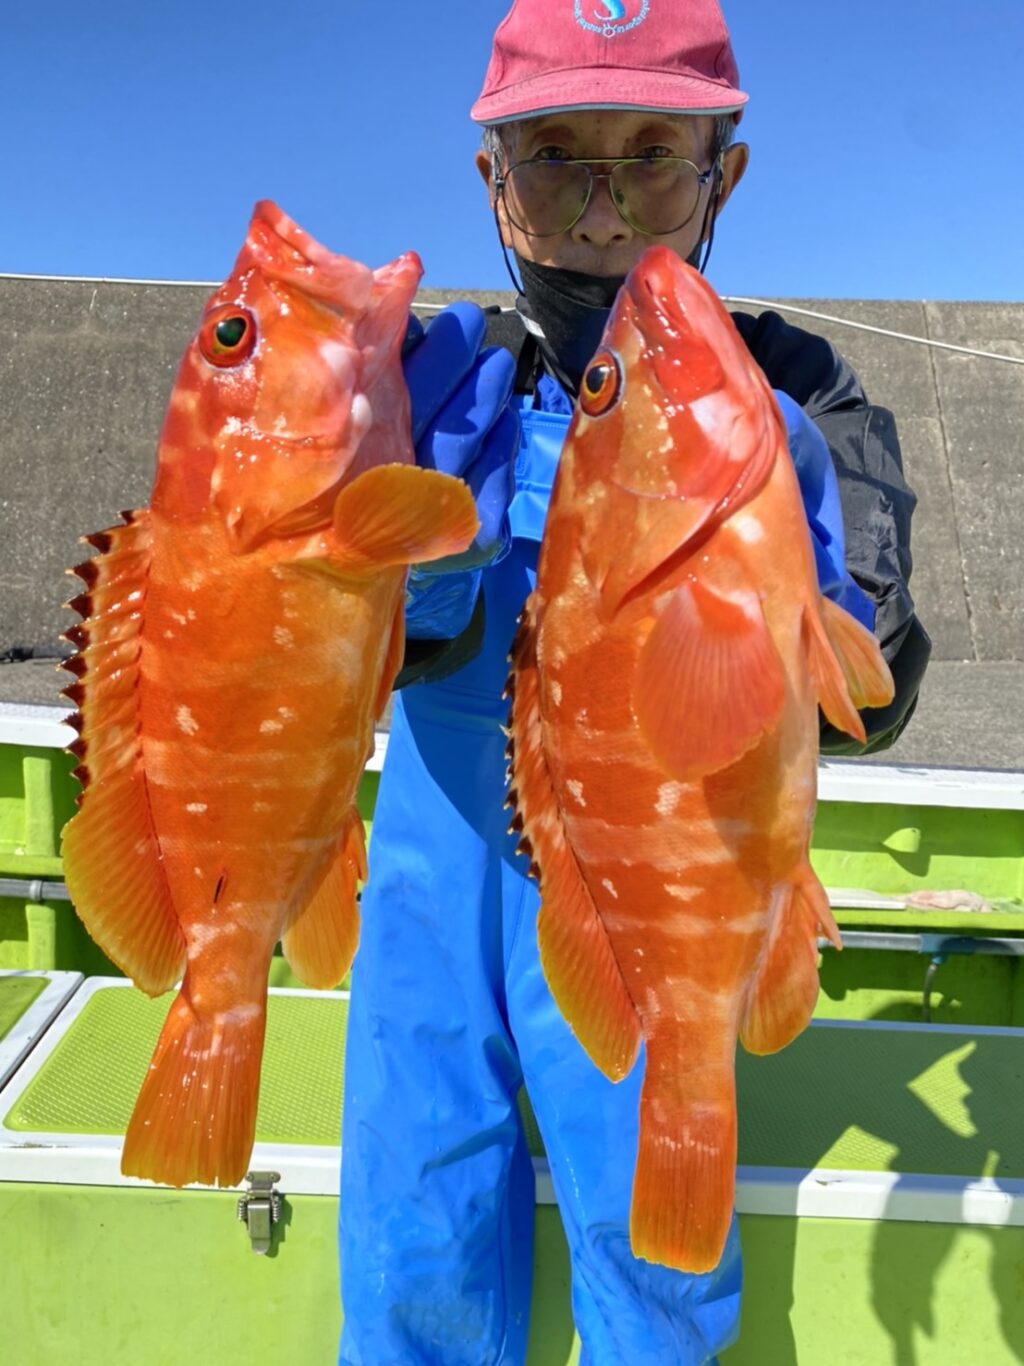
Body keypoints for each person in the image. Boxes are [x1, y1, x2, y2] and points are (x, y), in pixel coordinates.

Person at [339, 2, 931, 1363]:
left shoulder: (799, 397)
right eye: (557, 159)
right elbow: (325, 655)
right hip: (429, 894)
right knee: (408, 1228)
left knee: (653, 1250)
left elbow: (881, 687)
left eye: (654, 158)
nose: (605, 214)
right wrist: (404, 563)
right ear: (495, 182)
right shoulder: (439, 385)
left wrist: (819, 598)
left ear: (724, 175)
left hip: (664, 889)